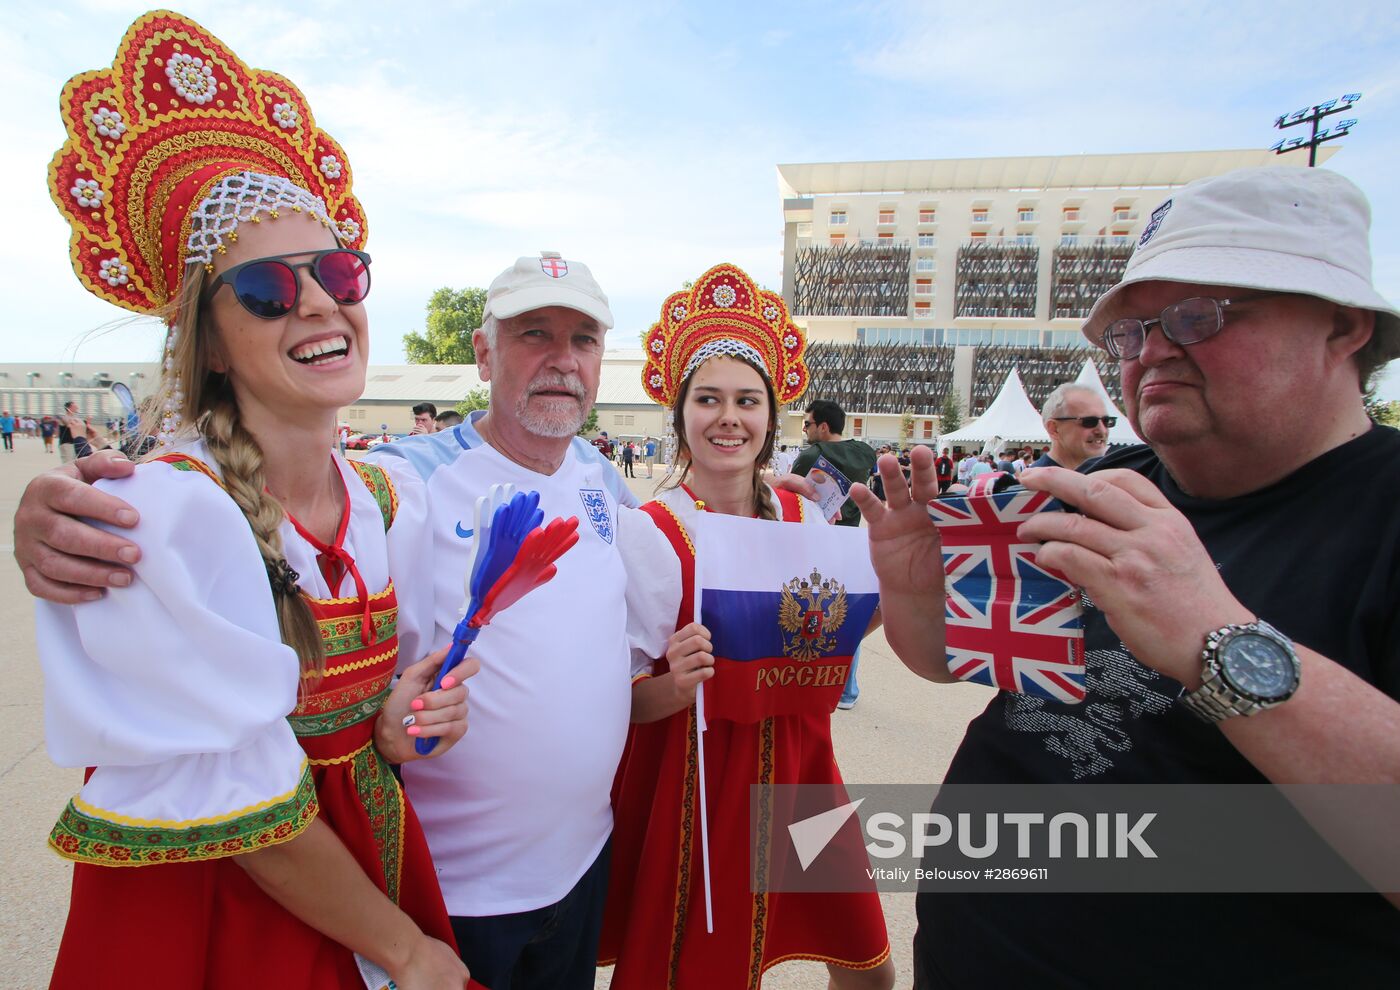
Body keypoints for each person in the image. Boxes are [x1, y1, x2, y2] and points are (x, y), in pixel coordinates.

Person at [855, 165, 1400, 986]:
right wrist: (913, 588)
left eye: (1196, 315)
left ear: (1342, 326)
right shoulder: (1110, 480)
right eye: (1132, 331)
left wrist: (1216, 639)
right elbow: (957, 663)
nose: (1152, 351)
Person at [33, 13, 472, 989]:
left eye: (339, 271)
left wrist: (407, 715)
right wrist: (405, 951)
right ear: (212, 340)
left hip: (365, 859)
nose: (319, 303)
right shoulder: (170, 515)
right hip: (230, 911)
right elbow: (234, 807)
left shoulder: (388, 497)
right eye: (269, 288)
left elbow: (399, 699)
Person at [601, 262, 892, 990]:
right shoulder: (650, 533)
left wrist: (888, 576)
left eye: (746, 400)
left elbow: (845, 637)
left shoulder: (805, 518)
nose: (728, 417)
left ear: (770, 417)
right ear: (680, 416)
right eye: (708, 399)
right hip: (703, 785)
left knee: (868, 967)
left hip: (802, 771)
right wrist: (676, 681)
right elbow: (621, 700)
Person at [791, 398, 877, 709]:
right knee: (848, 615)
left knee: (809, 612)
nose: (805, 429)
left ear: (823, 427)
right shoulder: (864, 452)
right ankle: (848, 690)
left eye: (808, 423)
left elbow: (792, 492)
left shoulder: (812, 455)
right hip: (850, 540)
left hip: (815, 541)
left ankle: (809, 677)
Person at [1031, 382, 1113, 469]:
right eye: (1089, 421)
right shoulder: (1037, 481)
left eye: (1106, 421)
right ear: (1054, 429)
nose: (1102, 430)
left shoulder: (1109, 476)